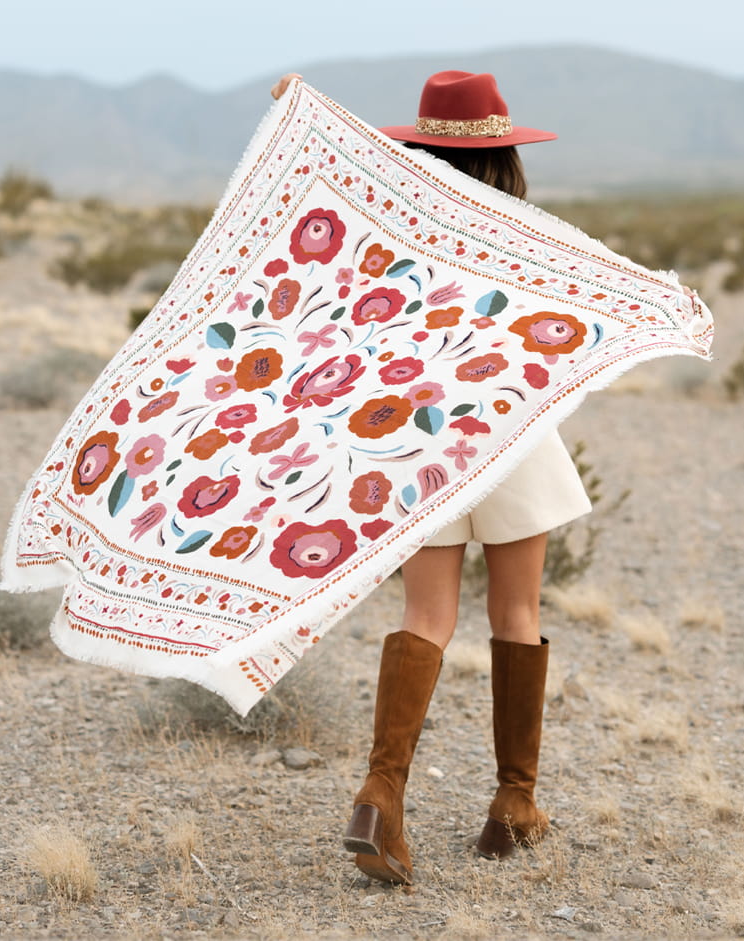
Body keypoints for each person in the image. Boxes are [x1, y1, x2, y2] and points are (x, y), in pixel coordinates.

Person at [269, 69, 591, 885]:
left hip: (417, 442)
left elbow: (332, 207)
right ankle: (512, 804)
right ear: (508, 154)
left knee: (427, 613)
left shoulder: (395, 234)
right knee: (516, 611)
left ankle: (381, 795)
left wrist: (307, 116)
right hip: (509, 436)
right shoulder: (522, 233)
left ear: (420, 148)